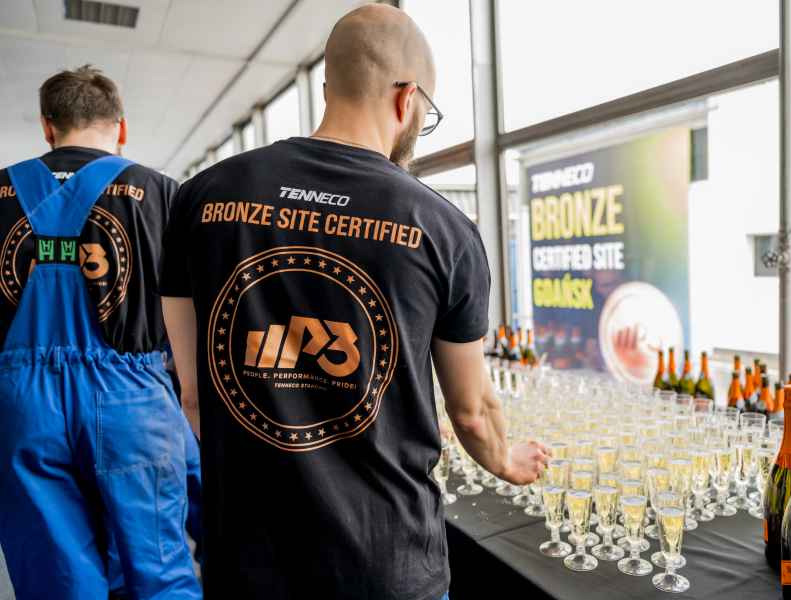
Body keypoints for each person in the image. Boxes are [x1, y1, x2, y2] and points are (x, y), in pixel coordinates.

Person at [159, 4, 549, 599]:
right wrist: (505, 460)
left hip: (248, 560)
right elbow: (471, 411)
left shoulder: (201, 198)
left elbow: (194, 394)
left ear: (327, 88)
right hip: (386, 563)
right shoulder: (441, 228)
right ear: (407, 99)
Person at [0, 65, 202, 599]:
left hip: (21, 405)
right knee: (158, 570)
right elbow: (192, 312)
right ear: (122, 127)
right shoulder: (163, 194)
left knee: (58, 578)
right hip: (132, 400)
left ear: (48, 127)